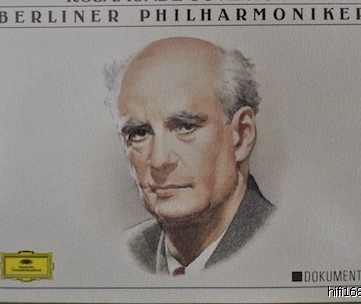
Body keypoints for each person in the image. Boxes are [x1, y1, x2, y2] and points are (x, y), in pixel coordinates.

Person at [105, 37, 274, 275]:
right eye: (139, 133)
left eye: (185, 127)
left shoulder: (286, 245)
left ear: (241, 135)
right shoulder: (123, 254)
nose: (159, 161)